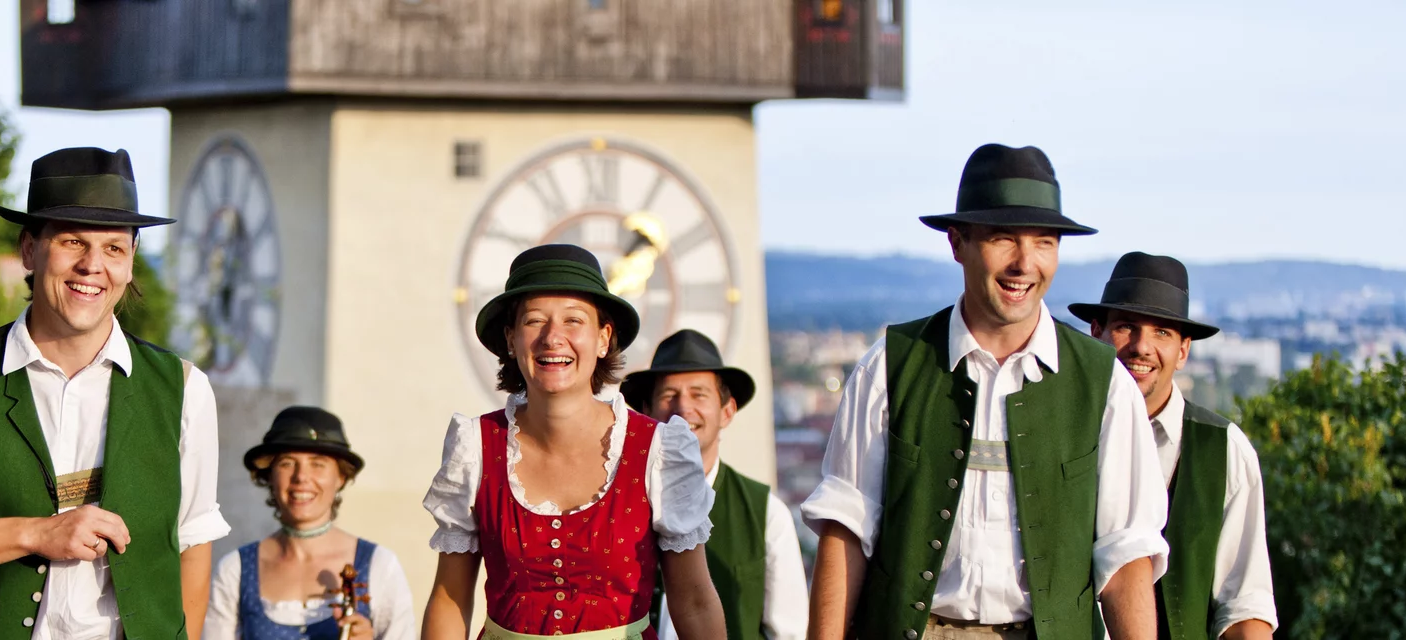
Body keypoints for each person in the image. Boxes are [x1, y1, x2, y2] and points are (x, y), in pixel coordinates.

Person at [800, 144, 1171, 640]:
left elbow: (1126, 558)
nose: (1024, 263)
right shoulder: (888, 367)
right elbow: (845, 533)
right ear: (958, 244)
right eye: (1003, 239)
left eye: (1044, 243)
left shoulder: (1105, 386)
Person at [0, 147, 230, 640]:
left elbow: (192, 546)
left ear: (132, 260)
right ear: (30, 250)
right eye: (73, 241)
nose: (92, 266)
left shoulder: (184, 389)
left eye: (114, 248)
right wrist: (36, 533)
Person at [420, 244, 726, 639]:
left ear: (603, 338)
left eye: (573, 321)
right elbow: (450, 598)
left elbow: (695, 601)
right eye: (534, 321)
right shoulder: (475, 447)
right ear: (511, 340)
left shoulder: (658, 450)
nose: (553, 338)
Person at [1069, 252, 1279, 640]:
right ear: (1095, 332)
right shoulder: (1058, 431)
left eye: (1162, 333)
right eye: (1126, 327)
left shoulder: (1225, 449)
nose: (1141, 347)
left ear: (1183, 351)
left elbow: (1245, 606)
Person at [623, 329, 809, 639]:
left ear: (727, 411)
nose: (683, 409)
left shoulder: (767, 513)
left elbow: (789, 633)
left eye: (699, 394)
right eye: (669, 395)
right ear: (647, 411)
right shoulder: (619, 501)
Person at [204, 406, 418, 639]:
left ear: (341, 477)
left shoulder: (380, 565)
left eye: (318, 463)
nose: (301, 477)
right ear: (269, 475)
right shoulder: (235, 569)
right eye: (287, 463)